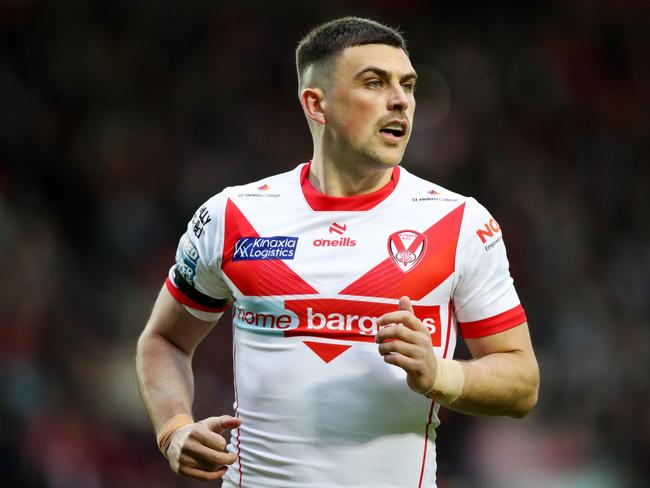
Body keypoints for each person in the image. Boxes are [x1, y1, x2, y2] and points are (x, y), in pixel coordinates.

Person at [136, 16, 539, 488]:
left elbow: (522, 381)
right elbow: (164, 341)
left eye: (407, 85)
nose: (400, 100)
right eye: (374, 82)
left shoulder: (459, 222)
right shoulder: (233, 216)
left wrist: (441, 376)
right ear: (316, 103)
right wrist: (173, 430)